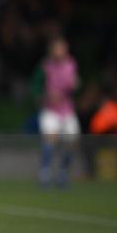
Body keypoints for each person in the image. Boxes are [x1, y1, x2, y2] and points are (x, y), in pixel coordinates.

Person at [36, 36, 80, 187]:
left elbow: (73, 85)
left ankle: (63, 173)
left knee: (72, 142)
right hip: (51, 111)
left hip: (66, 110)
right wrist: (45, 96)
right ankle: (45, 173)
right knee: (50, 140)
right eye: (58, 48)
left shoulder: (71, 65)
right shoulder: (45, 66)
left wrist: (74, 85)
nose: (61, 51)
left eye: (63, 48)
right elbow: (35, 87)